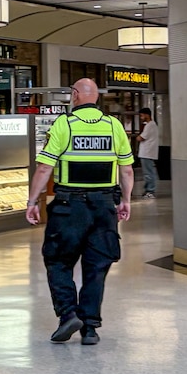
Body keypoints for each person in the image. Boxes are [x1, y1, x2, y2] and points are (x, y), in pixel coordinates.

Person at [25, 78, 134, 346]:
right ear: (96, 97)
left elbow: (44, 168)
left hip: (69, 206)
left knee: (58, 261)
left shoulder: (65, 124)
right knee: (96, 268)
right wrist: (126, 201)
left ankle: (68, 314)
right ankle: (90, 328)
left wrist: (32, 201)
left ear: (75, 95)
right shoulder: (113, 126)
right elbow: (127, 169)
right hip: (104, 206)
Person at [136, 107, 159, 199]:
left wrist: (137, 137)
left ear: (147, 115)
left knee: (149, 173)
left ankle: (150, 191)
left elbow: (141, 138)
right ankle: (148, 190)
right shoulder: (150, 125)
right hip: (146, 152)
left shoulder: (150, 125)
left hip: (147, 153)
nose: (141, 117)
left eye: (141, 115)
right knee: (148, 172)